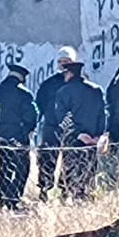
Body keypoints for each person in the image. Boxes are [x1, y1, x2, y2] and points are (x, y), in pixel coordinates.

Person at [53, 60, 107, 200]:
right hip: (92, 140)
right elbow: (102, 114)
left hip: (73, 138)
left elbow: (62, 118)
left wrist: (78, 134)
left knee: (70, 171)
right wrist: (97, 135)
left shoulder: (63, 92)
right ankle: (86, 198)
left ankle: (67, 198)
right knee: (89, 170)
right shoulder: (96, 90)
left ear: (69, 73)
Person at [0, 64, 39, 211]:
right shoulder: (24, 93)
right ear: (22, 77)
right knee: (22, 168)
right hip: (18, 137)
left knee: (3, 167)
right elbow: (32, 115)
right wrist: (28, 130)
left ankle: (1, 199)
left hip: (0, 137)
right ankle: (14, 199)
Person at [34, 46, 77, 202]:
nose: (63, 65)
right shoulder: (48, 84)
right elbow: (39, 104)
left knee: (70, 160)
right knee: (47, 159)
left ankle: (65, 191)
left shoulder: (79, 84)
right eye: (60, 61)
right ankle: (44, 190)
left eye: (67, 61)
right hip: (51, 127)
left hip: (72, 128)